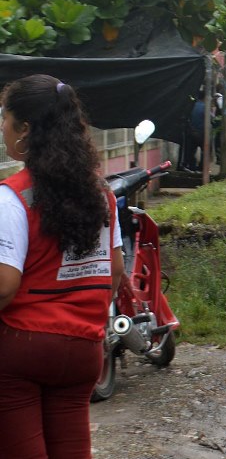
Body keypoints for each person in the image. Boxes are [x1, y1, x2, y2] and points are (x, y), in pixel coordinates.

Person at [0, 75, 125, 456]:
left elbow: (4, 286)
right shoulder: (101, 193)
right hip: (84, 349)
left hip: (22, 349)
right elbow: (114, 271)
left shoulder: (12, 197)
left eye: (4, 117)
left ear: (25, 129)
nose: (1, 127)